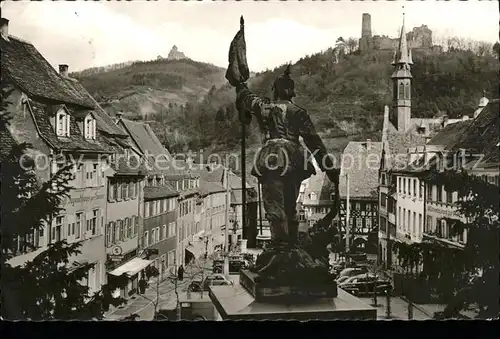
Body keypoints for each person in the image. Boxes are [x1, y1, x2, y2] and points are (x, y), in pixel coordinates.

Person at [235, 64, 340, 248]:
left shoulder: (263, 107)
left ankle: (281, 248)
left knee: (275, 207)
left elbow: (247, 97)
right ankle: (290, 247)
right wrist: (330, 170)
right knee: (290, 207)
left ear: (275, 91)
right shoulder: (299, 113)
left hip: (271, 161)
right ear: (292, 93)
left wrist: (241, 84)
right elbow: (315, 144)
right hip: (294, 161)